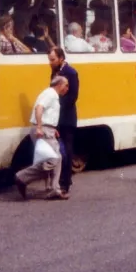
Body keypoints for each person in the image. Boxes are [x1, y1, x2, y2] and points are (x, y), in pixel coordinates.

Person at [14, 76, 70, 200]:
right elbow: (39, 108)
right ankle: (22, 177)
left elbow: (47, 113)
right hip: (43, 130)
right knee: (52, 160)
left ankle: (54, 189)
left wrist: (52, 127)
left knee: (57, 158)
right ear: (59, 84)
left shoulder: (52, 95)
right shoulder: (50, 94)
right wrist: (40, 127)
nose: (67, 88)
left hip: (48, 129)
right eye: (66, 85)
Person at [49, 47, 79, 195]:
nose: (50, 62)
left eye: (53, 59)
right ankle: (61, 180)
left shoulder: (71, 73)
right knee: (59, 150)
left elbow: (72, 97)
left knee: (66, 150)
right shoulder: (55, 72)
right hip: (57, 117)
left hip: (67, 118)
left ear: (61, 58)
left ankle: (65, 183)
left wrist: (57, 106)